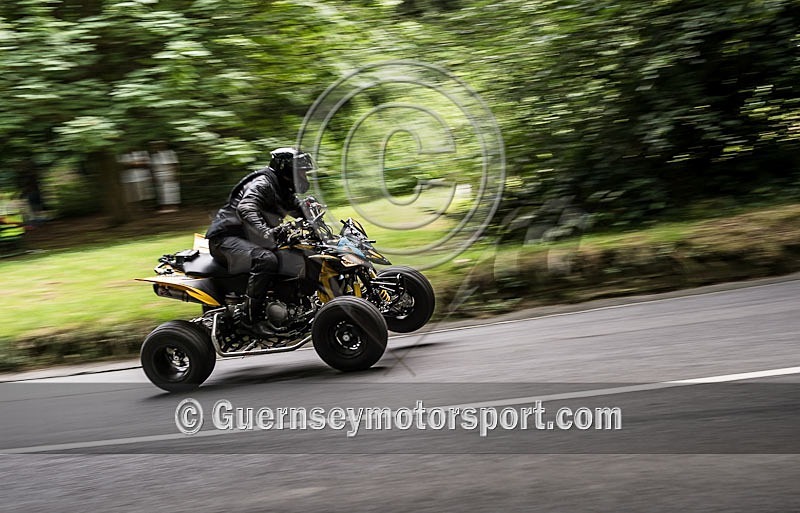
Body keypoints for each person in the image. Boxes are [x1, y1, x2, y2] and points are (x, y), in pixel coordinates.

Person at [205, 147, 315, 336]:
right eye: (301, 172)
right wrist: (267, 232)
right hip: (225, 239)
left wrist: (316, 223)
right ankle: (249, 319)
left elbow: (300, 211)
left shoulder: (283, 188)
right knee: (266, 259)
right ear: (287, 170)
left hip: (246, 239)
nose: (304, 177)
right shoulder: (263, 183)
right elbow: (246, 207)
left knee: (301, 250)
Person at [149, 141, 181, 213]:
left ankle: (173, 206)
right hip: (159, 174)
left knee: (171, 189)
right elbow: (153, 167)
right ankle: (164, 207)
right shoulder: (154, 155)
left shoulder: (170, 153)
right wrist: (154, 176)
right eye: (155, 146)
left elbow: (174, 165)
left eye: (159, 145)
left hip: (169, 173)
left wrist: (175, 174)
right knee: (161, 191)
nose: (157, 147)